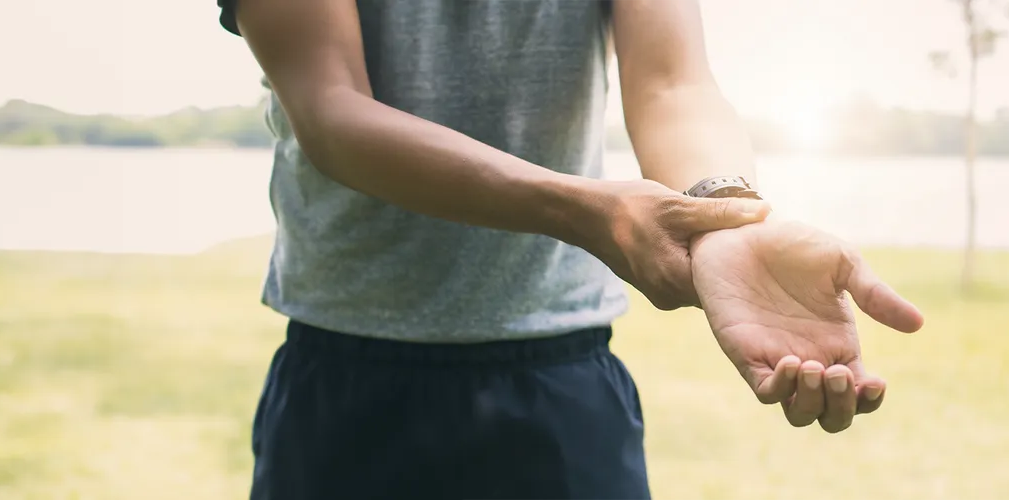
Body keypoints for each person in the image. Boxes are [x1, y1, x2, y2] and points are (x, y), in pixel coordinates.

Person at [217, 0, 925, 498]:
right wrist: (588, 212)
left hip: (561, 379)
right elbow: (333, 110)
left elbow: (673, 82)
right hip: (348, 378)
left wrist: (726, 216)